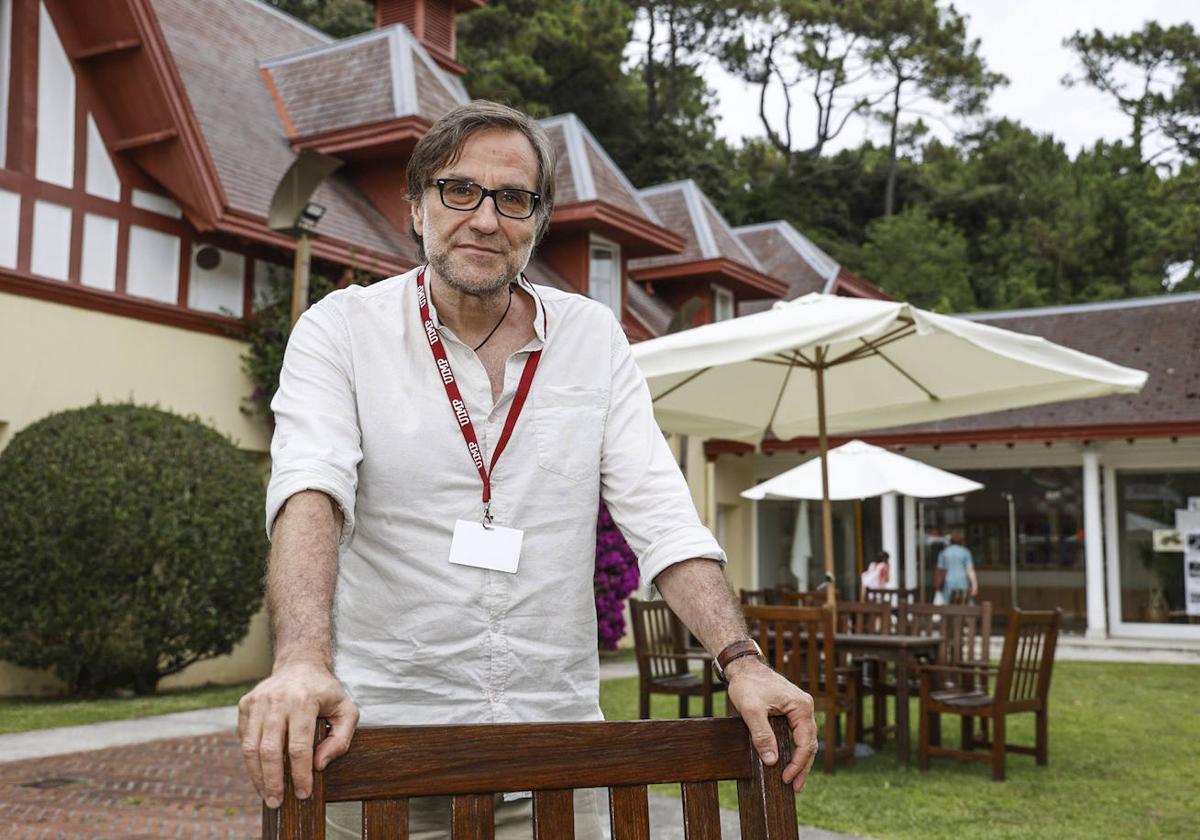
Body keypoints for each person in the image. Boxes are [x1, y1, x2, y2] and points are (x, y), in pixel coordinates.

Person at [237, 100, 818, 839]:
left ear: (538, 222)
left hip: (556, 753)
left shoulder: (593, 339)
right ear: (416, 207)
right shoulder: (341, 331)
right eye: (460, 191)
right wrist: (299, 663)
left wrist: (741, 659)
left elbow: (662, 514)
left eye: (514, 199)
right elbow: (309, 491)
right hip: (375, 746)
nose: (486, 218)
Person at [937, 530, 978, 604]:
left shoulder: (943, 552)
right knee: (966, 603)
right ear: (962, 541)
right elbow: (970, 570)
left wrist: (938, 586)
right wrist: (974, 585)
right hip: (962, 581)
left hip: (948, 581)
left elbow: (940, 571)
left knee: (947, 605)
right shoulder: (965, 552)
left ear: (950, 541)